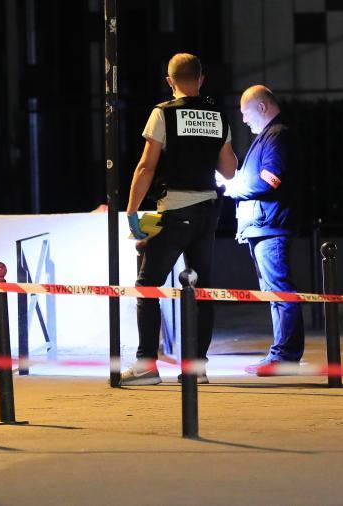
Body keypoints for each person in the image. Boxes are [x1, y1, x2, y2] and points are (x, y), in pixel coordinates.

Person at [121, 53, 237, 386]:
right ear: (201, 80)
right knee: (202, 289)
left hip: (175, 211)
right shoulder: (217, 115)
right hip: (208, 212)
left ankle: (146, 366)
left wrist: (132, 211)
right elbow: (229, 168)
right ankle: (196, 368)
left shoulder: (163, 114)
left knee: (148, 286)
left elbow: (147, 166)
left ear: (170, 81)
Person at [223, 85, 304, 374]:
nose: (243, 120)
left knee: (278, 290)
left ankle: (284, 356)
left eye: (245, 113)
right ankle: (282, 354)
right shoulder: (271, 136)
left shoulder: (276, 135)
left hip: (270, 225)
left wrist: (234, 188)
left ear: (261, 107)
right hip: (265, 225)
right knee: (274, 290)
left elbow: (269, 180)